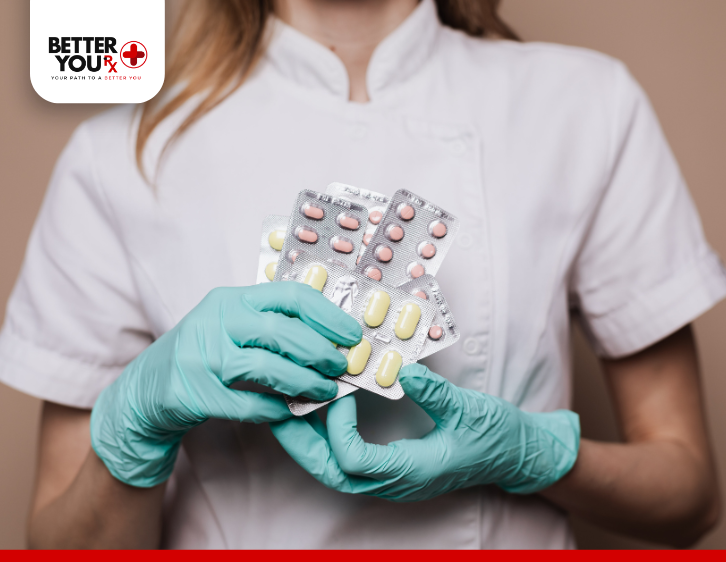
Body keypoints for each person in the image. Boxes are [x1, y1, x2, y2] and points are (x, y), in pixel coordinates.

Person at [1, 0, 723, 550]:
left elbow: (689, 497)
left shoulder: (584, 105)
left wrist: (533, 455)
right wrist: (136, 429)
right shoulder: (120, 153)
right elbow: (63, 547)